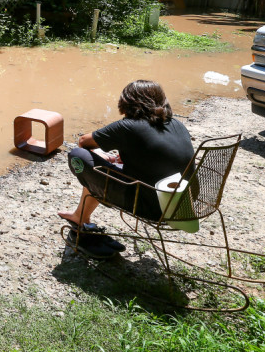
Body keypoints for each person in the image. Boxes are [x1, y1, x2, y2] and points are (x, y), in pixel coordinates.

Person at [59, 79, 195, 257]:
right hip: (183, 201)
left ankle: (81, 218)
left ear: (127, 101)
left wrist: (102, 154)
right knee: (107, 166)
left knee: (79, 156)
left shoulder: (129, 126)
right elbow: (158, 157)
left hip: (154, 207)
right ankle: (80, 216)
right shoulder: (176, 124)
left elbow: (83, 142)